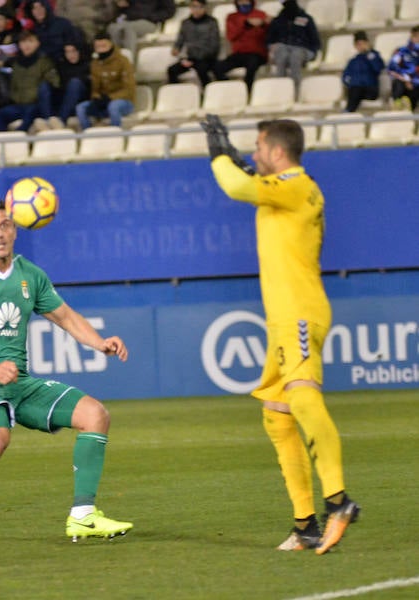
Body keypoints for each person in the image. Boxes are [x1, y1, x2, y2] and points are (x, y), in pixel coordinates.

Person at [200, 114, 360, 554]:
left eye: (257, 147)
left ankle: (339, 501)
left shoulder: (296, 184)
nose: (253, 154)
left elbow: (237, 187)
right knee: (277, 412)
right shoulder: (285, 190)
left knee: (303, 394)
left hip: (300, 314)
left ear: (276, 150)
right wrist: (239, 161)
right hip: (283, 318)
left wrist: (218, 154)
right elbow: (252, 182)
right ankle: (305, 524)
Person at [0, 199, 133, 554]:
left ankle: (84, 516)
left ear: (15, 230)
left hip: (19, 381)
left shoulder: (30, 274)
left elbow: (66, 317)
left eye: (5, 225)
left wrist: (100, 343)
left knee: (95, 415)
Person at [0, 30, 60, 132]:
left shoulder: (45, 61)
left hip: (36, 105)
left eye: (30, 41)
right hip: (19, 104)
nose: (26, 45)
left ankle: (18, 139)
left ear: (37, 43)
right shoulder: (16, 63)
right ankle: (5, 141)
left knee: (29, 115)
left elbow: (54, 83)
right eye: (23, 42)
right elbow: (12, 85)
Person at [76, 32, 135, 130]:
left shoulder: (123, 61)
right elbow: (95, 89)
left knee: (113, 107)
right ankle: (88, 134)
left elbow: (129, 89)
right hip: (104, 101)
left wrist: (110, 98)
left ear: (110, 44)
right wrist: (97, 98)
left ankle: (116, 134)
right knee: (80, 108)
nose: (101, 49)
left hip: (124, 101)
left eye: (104, 46)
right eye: (98, 47)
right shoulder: (95, 64)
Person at [213, 0, 269, 93]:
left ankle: (247, 92)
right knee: (217, 68)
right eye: (241, 2)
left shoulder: (261, 15)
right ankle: (233, 90)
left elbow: (267, 35)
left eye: (246, 2)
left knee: (251, 65)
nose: (243, 4)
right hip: (239, 54)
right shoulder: (231, 17)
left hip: (257, 53)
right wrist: (246, 24)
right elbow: (231, 36)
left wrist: (264, 25)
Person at [266, 0, 320, 93]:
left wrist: (313, 52)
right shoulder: (278, 21)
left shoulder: (306, 19)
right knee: (281, 52)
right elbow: (269, 40)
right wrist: (271, 47)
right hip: (282, 49)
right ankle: (281, 90)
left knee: (295, 55)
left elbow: (315, 41)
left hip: (303, 49)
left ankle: (296, 91)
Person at [167, 0, 219, 87]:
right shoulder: (186, 23)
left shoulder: (212, 22)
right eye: (194, 7)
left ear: (204, 8)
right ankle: (177, 93)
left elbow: (214, 46)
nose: (196, 10)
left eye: (199, 7)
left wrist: (195, 59)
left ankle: (207, 92)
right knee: (171, 70)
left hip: (206, 58)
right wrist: (176, 49)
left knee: (202, 69)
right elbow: (180, 40)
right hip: (190, 58)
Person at [107, 0, 176, 57]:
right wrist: (120, 5)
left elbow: (170, 11)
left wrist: (152, 17)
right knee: (112, 27)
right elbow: (122, 11)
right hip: (126, 18)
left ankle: (129, 65)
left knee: (128, 29)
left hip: (148, 22)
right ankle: (114, 63)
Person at [341, 31, 384, 113]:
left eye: (363, 43)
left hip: (370, 90)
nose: (361, 46)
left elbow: (378, 68)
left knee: (356, 90)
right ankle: (349, 111)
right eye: (358, 44)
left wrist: (369, 53)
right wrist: (350, 83)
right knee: (355, 89)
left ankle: (348, 111)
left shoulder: (374, 56)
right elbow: (345, 76)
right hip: (355, 90)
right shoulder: (353, 61)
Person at [51, 41, 89, 128]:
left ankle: (61, 121)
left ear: (79, 51)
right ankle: (50, 120)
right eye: (67, 52)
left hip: (83, 102)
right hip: (65, 102)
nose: (71, 54)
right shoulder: (61, 67)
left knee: (74, 83)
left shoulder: (88, 65)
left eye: (73, 51)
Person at [387, 25, 419, 112]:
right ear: (412, 36)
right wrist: (406, 79)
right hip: (403, 83)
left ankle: (409, 110)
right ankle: (397, 105)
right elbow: (391, 69)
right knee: (398, 84)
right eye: (416, 36)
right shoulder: (401, 51)